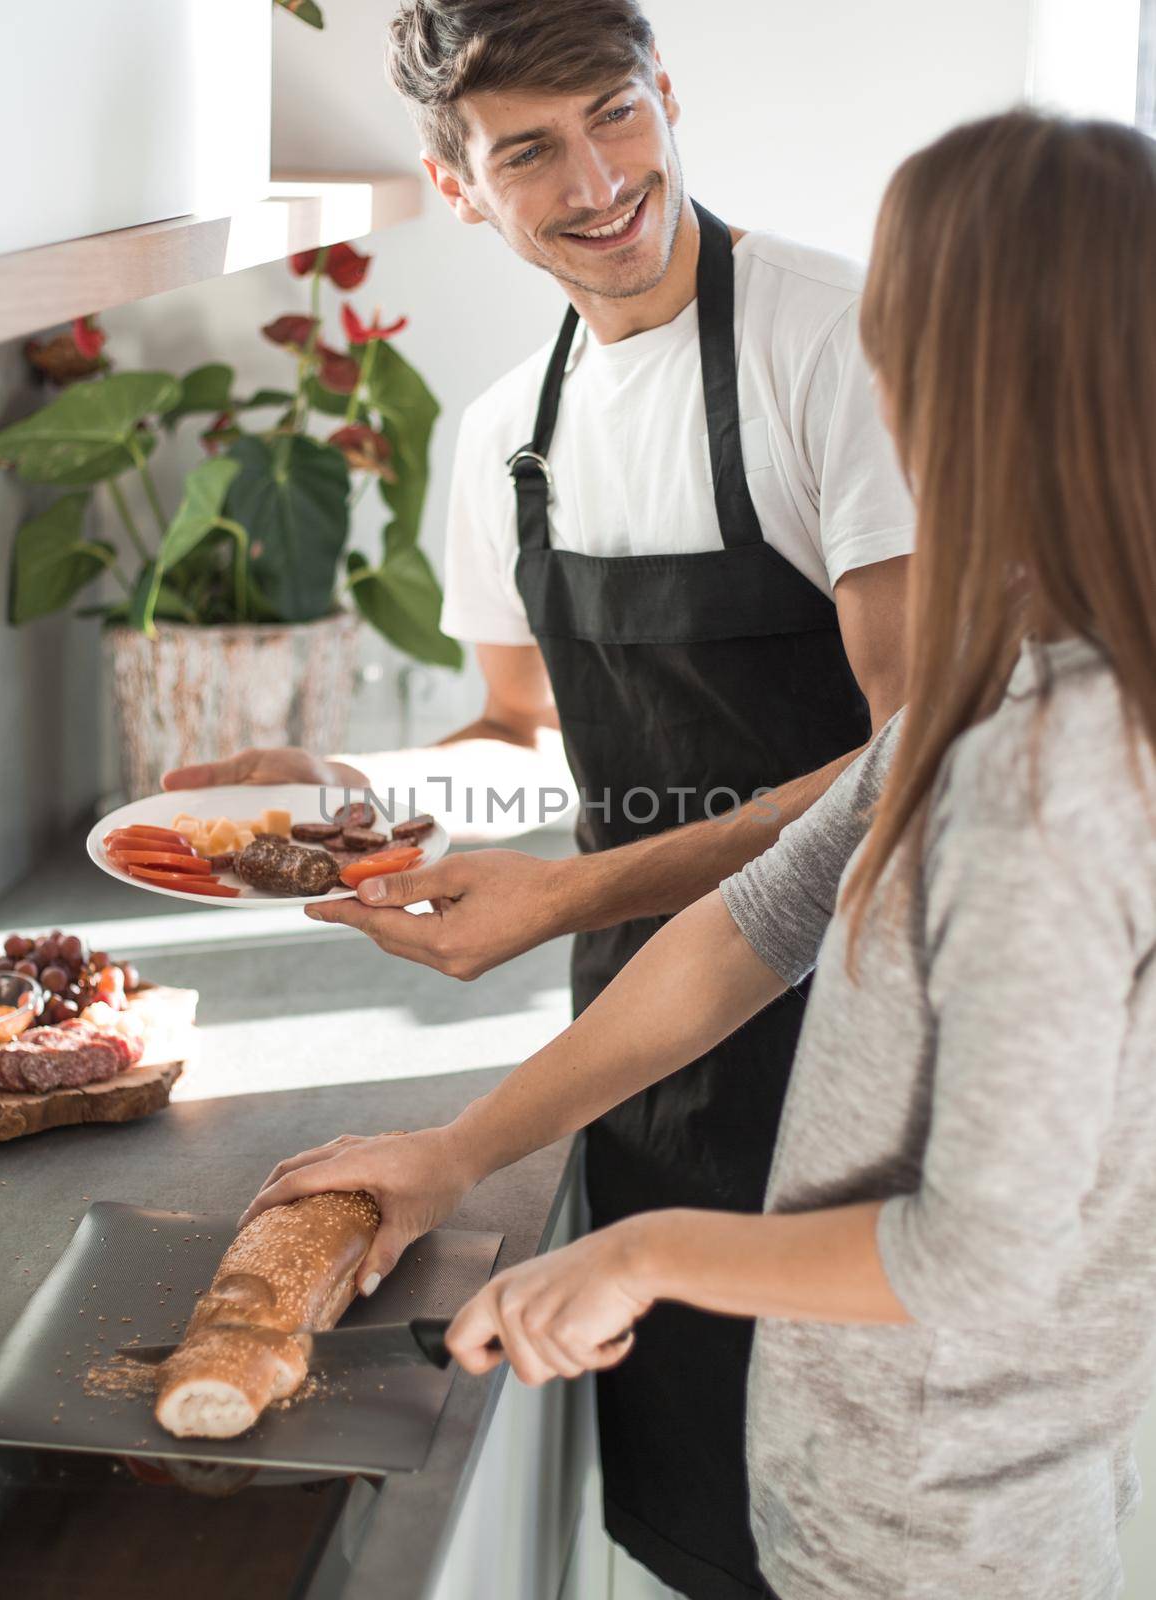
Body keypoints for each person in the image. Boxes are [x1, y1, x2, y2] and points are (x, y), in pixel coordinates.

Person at [241, 111, 1156, 1598]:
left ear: (955, 373)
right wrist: (456, 1152)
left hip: (945, 1531)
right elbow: (755, 919)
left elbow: (982, 1260)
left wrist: (640, 1254)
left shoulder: (1049, 779)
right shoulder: (1001, 676)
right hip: (863, 1478)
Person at [168, 4, 913, 1593]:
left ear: (663, 97)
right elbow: (522, 738)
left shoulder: (833, 347)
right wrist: (352, 785)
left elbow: (913, 760)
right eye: (529, 152)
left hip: (861, 1022)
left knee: (862, 1516)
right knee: (702, 1516)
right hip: (645, 1047)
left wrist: (571, 896)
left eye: (616, 116)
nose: (597, 180)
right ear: (458, 187)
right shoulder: (513, 431)